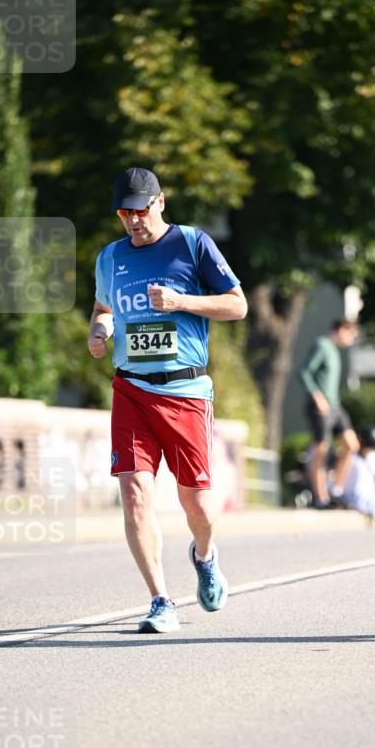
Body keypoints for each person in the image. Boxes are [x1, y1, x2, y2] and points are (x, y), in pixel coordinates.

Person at [88, 167, 247, 633]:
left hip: (186, 391)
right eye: (125, 212)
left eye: (141, 209)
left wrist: (181, 303)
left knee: (198, 504)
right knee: (135, 494)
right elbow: (103, 309)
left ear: (160, 202)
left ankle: (205, 555)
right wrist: (99, 330)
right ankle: (160, 601)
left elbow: (237, 305)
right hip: (131, 388)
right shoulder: (110, 257)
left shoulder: (192, 243)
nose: (134, 220)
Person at [298, 318, 360, 508]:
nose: (351, 340)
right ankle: (320, 497)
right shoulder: (322, 345)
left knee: (351, 444)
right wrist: (317, 397)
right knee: (321, 450)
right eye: (351, 335)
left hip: (335, 406)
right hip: (321, 406)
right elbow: (304, 372)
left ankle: (336, 490)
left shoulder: (334, 351)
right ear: (341, 329)